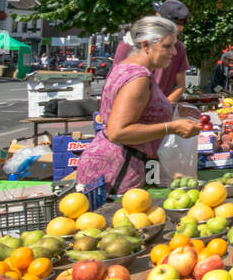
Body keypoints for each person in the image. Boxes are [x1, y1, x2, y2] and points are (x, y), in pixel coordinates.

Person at [75, 17, 200, 195]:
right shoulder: (138, 78)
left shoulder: (126, 67)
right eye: (167, 46)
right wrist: (171, 127)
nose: (173, 52)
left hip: (115, 165)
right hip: (117, 170)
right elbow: (118, 131)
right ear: (145, 45)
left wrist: (171, 110)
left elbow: (136, 110)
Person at [113, 0, 190, 103]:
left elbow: (180, 86)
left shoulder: (178, 48)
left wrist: (163, 107)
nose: (180, 28)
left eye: (181, 25)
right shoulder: (128, 45)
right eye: (175, 24)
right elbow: (116, 85)